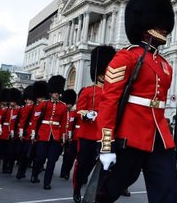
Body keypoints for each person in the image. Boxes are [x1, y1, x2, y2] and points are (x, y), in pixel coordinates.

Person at [95, 0, 177, 203]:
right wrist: (106, 144)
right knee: (109, 190)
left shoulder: (164, 64)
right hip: (130, 136)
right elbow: (109, 101)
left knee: (168, 192)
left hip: (159, 137)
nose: (165, 30)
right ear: (145, 27)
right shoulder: (126, 57)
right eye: (160, 25)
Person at [72, 45, 117, 203]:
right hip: (89, 133)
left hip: (106, 135)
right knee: (84, 165)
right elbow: (78, 111)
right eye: (102, 73)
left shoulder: (113, 92)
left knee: (106, 166)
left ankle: (98, 194)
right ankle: (77, 188)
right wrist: (88, 114)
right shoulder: (87, 91)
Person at [30, 75, 68, 190]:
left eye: (58, 92)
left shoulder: (63, 106)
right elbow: (35, 120)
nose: (56, 94)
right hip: (43, 134)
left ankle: (47, 182)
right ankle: (35, 174)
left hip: (55, 136)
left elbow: (64, 123)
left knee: (51, 161)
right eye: (54, 92)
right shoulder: (43, 104)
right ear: (51, 92)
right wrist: (33, 134)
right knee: (40, 158)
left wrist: (63, 137)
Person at [59, 89, 77, 180]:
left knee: (68, 156)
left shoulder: (74, 113)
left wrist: (71, 136)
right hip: (60, 135)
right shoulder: (62, 111)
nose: (68, 105)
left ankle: (65, 172)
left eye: (70, 103)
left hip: (70, 138)